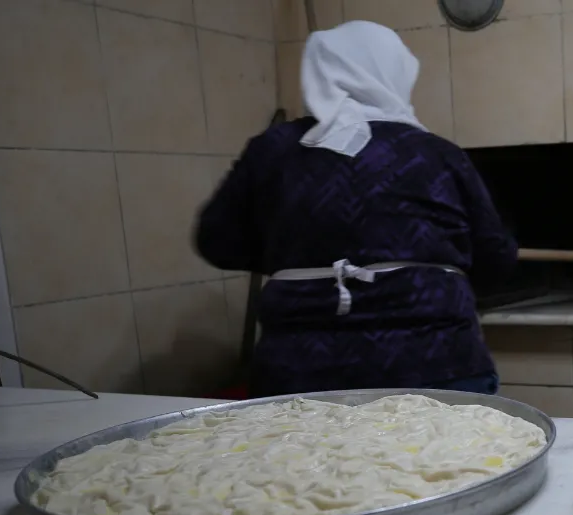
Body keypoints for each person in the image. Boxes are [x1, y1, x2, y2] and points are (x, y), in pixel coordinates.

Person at [195, 21, 516, 398]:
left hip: (300, 373)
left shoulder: (273, 150)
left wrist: (301, 262)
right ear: (395, 73)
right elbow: (497, 257)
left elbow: (216, 241)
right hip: (434, 365)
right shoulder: (436, 154)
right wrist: (428, 276)